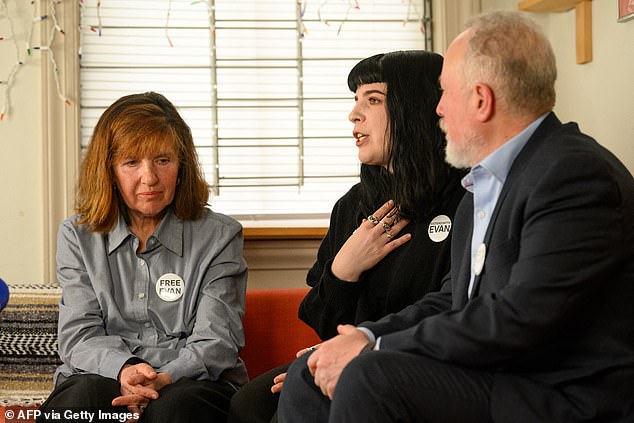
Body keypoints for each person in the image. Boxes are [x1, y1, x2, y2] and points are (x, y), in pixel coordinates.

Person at [278, 10, 634, 423]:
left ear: (481, 100)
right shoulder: (482, 189)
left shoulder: (571, 174)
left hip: (564, 393)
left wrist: (374, 350)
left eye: (445, 93)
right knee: (309, 374)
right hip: (503, 380)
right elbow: (453, 300)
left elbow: (521, 318)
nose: (439, 110)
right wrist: (367, 334)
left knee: (370, 374)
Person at [228, 51, 465, 422]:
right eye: (355, 101)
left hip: (417, 367)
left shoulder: (463, 198)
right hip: (347, 357)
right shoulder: (351, 206)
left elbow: (453, 310)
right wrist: (343, 271)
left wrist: (355, 350)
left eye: (373, 100)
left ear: (416, 108)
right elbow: (324, 321)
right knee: (250, 404)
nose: (354, 114)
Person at [38, 92, 248, 423]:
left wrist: (163, 378)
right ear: (109, 170)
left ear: (181, 166)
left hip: (192, 383)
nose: (149, 178)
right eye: (132, 162)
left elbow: (217, 340)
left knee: (176, 406)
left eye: (162, 160)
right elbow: (79, 336)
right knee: (82, 400)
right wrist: (124, 369)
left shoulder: (220, 236)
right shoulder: (77, 236)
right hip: (102, 376)